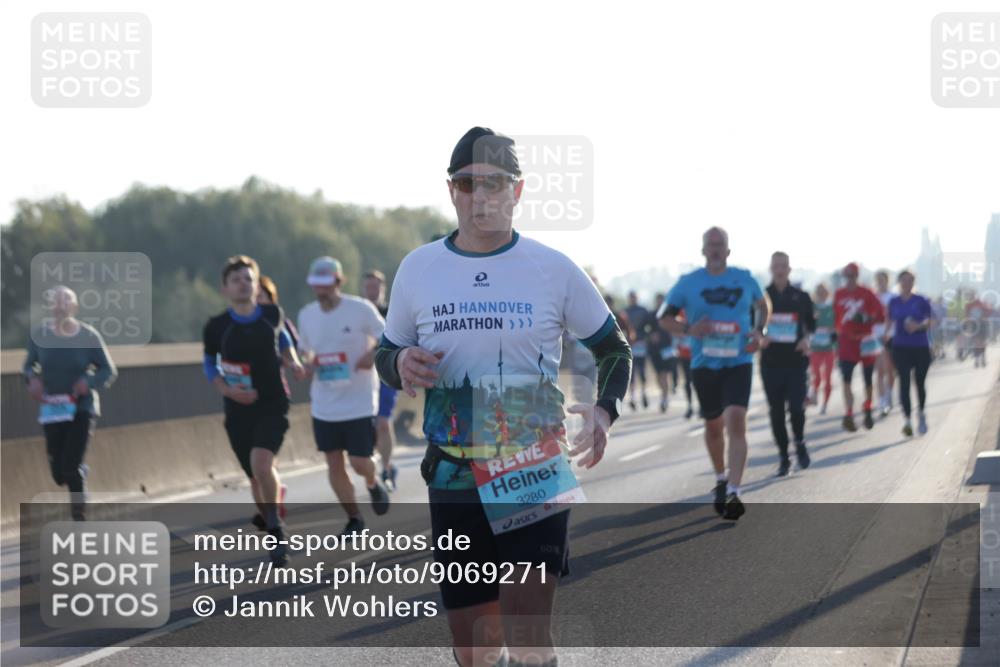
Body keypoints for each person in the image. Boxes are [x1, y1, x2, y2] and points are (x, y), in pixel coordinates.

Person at [375, 127, 631, 667]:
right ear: (451, 191)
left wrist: (604, 411)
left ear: (517, 191)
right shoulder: (419, 268)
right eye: (468, 184)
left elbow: (615, 350)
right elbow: (386, 352)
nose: (481, 196)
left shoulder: (552, 267)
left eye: (494, 183)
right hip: (453, 470)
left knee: (526, 637)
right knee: (475, 651)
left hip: (531, 460)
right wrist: (399, 362)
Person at [658, 227, 768, 520]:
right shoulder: (688, 283)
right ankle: (720, 477)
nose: (716, 249)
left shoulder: (745, 279)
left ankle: (734, 490)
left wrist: (759, 331)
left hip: (739, 362)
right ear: (703, 250)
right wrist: (689, 329)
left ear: (728, 250)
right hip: (704, 364)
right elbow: (664, 318)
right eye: (711, 244)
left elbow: (762, 305)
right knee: (713, 426)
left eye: (721, 245)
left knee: (735, 419)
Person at [202, 256, 305, 566]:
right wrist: (228, 390)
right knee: (255, 476)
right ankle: (269, 515)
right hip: (237, 408)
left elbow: (283, 337)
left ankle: (275, 526)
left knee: (262, 463)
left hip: (273, 403)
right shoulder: (217, 326)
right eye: (236, 280)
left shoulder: (271, 313)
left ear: (256, 283)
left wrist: (292, 359)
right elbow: (209, 364)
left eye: (248, 279)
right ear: (225, 289)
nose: (243, 284)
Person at [298, 257, 391, 536]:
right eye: (317, 285)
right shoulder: (306, 314)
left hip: (359, 399)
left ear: (339, 282)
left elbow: (389, 337)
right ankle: (354, 518)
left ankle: (373, 482)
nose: (321, 290)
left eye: (326, 285)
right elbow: (307, 350)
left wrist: (371, 354)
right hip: (324, 403)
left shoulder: (360, 309)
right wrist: (307, 364)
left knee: (360, 462)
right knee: (333, 462)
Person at [24, 285, 117, 521]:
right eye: (56, 300)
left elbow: (108, 370)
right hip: (53, 409)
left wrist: (89, 381)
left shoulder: (88, 335)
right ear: (50, 306)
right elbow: (28, 366)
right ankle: (79, 473)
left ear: (74, 306)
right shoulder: (40, 336)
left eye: (66, 300)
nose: (61, 304)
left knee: (70, 464)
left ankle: (79, 513)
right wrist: (32, 379)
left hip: (81, 408)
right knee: (59, 474)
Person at [759, 252, 815, 476]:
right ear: (771, 269)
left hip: (795, 361)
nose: (780, 269)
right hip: (771, 361)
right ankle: (784, 456)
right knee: (776, 412)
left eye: (783, 266)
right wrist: (759, 337)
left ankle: (799, 441)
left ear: (789, 269)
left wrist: (806, 339)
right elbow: (753, 324)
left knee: (796, 408)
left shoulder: (801, 296)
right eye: (776, 266)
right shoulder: (762, 297)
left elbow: (811, 325)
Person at [834, 262, 885, 432]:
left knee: (868, 378)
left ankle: (868, 407)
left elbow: (880, 314)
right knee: (846, 379)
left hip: (865, 340)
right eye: (846, 276)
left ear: (857, 276)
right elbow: (834, 317)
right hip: (847, 341)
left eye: (852, 276)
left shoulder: (866, 293)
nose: (849, 279)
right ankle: (849, 413)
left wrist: (866, 318)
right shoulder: (839, 294)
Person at [362, 269, 400, 491]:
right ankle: (387, 464)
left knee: (383, 423)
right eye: (368, 287)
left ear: (383, 289)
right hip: (361, 379)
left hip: (384, 374)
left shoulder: (391, 312)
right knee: (370, 428)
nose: (371, 290)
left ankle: (385, 469)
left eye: (376, 286)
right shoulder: (355, 311)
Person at [887, 270, 933, 436]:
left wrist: (918, 326)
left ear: (914, 282)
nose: (907, 284)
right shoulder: (894, 302)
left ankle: (921, 413)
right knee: (904, 382)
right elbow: (889, 321)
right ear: (899, 282)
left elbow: (931, 320)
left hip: (920, 346)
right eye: (903, 281)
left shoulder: (921, 300)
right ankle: (907, 420)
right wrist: (883, 338)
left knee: (919, 382)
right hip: (900, 347)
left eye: (910, 281)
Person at [808, 283, 837, 414]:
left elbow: (837, 326)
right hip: (815, 347)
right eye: (819, 291)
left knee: (828, 377)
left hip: (829, 347)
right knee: (817, 375)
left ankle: (825, 403)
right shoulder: (812, 307)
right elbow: (807, 324)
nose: (821, 293)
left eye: (824, 291)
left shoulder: (832, 307)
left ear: (828, 292)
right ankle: (813, 393)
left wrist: (834, 332)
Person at [647, 292, 676, 413]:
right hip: (654, 350)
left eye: (661, 300)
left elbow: (675, 328)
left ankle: (664, 398)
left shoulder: (669, 314)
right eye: (657, 300)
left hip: (667, 348)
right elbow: (644, 329)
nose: (659, 303)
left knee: (665, 374)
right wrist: (650, 335)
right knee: (658, 376)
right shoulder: (651, 314)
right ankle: (664, 393)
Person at [873, 270, 896, 417]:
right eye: (878, 280)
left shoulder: (893, 297)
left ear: (887, 281)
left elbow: (893, 317)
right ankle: (882, 401)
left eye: (883, 279)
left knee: (890, 370)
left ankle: (889, 394)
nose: (881, 282)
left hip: (891, 336)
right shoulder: (872, 297)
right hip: (875, 336)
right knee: (880, 371)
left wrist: (887, 332)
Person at [624, 291, 652, 411]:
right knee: (631, 372)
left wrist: (646, 337)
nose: (632, 299)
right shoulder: (624, 312)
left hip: (641, 343)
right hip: (629, 344)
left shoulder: (643, 311)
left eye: (634, 297)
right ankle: (633, 398)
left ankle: (644, 393)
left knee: (642, 370)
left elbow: (650, 326)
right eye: (631, 297)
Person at [964, 291, 990, 368]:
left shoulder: (981, 303)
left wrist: (984, 317)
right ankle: (977, 360)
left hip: (981, 324)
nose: (971, 297)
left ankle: (982, 359)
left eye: (972, 295)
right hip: (974, 325)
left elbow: (988, 311)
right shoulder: (968, 305)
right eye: (970, 295)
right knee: (976, 343)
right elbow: (966, 316)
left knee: (982, 342)